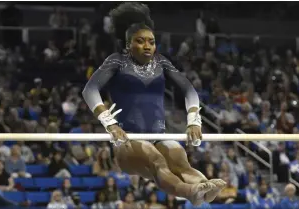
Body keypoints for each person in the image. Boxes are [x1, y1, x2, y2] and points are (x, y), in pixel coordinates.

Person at [82, 2, 226, 206]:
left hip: (158, 137)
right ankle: (190, 192)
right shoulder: (117, 62)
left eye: (151, 41)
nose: (147, 45)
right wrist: (110, 123)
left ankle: (204, 186)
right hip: (127, 142)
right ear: (128, 45)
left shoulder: (161, 62)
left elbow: (189, 90)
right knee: (154, 158)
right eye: (140, 41)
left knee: (178, 156)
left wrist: (194, 120)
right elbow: (90, 90)